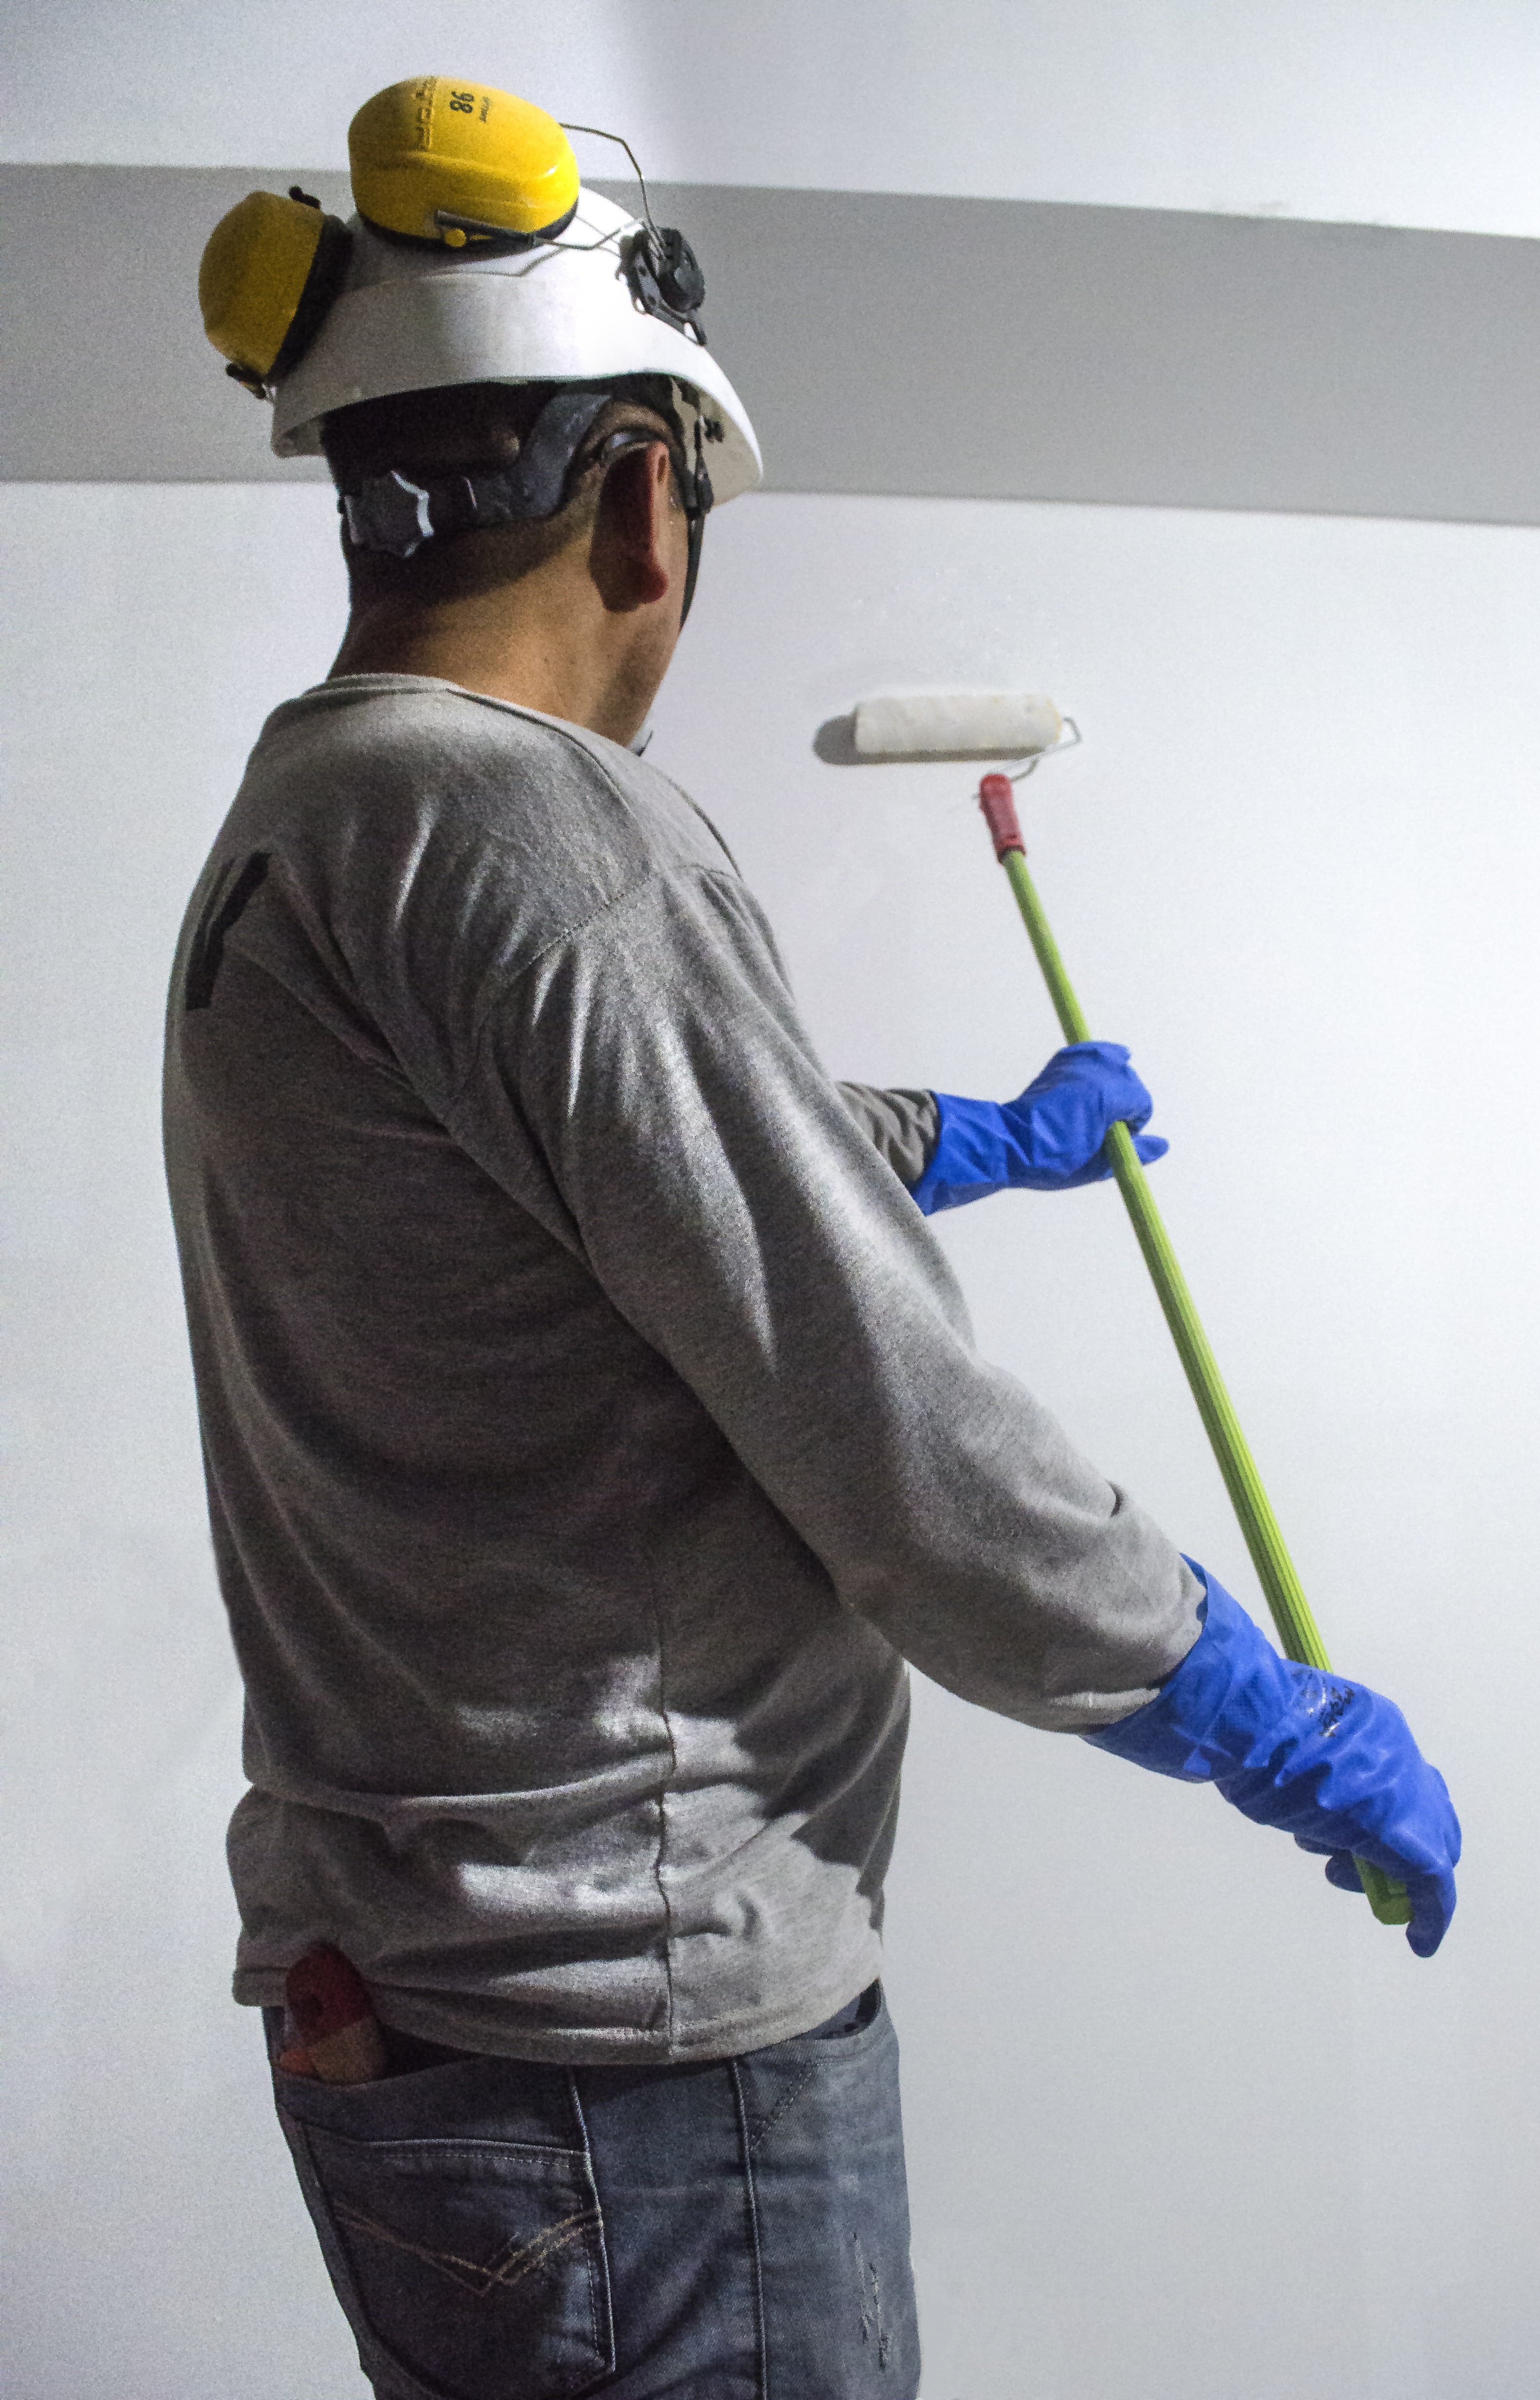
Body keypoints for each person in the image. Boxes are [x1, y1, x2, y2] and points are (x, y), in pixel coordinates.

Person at [166, 76, 1460, 2400]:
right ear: (641, 492)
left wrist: (977, 1136)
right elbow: (898, 1434)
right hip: (644, 2073)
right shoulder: (558, 846)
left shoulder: (316, 818)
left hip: (434, 2030)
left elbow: (625, 1185)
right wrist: (1239, 1699)